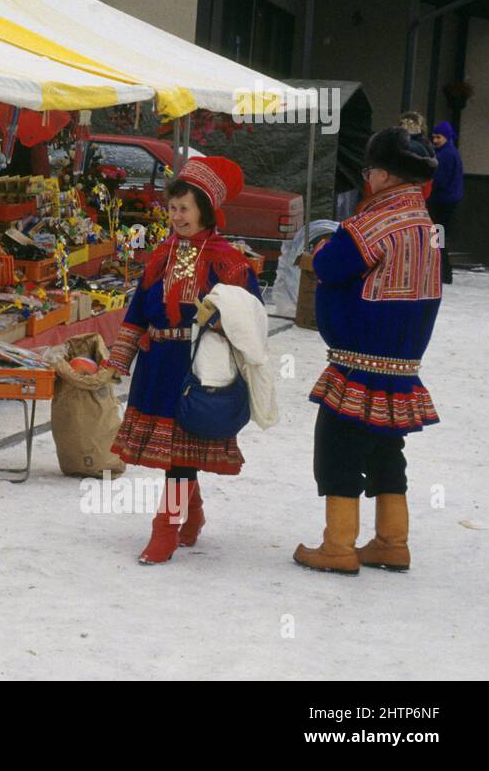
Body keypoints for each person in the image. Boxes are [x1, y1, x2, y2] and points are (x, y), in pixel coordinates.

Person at [294, 127, 440, 575]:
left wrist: (320, 246)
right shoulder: (430, 227)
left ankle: (338, 545)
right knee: (385, 449)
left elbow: (332, 264)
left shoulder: (377, 220)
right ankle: (392, 542)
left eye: (371, 170)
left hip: (359, 360)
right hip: (401, 364)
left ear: (387, 175)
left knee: (337, 447)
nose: (367, 178)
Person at [106, 156, 262, 565]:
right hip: (157, 365)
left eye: (185, 209)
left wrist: (220, 319)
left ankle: (166, 530)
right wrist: (118, 359)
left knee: (180, 456)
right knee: (177, 454)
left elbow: (250, 316)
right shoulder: (161, 256)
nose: (176, 217)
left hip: (196, 367)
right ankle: (191, 516)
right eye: (172, 209)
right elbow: (138, 309)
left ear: (206, 211)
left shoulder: (229, 261)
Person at [428, 121, 463, 286]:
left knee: (437, 238)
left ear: (446, 137)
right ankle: (443, 272)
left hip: (442, 202)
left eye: (438, 137)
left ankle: (442, 272)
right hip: (447, 201)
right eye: (433, 137)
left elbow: (439, 180)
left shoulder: (446, 155)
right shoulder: (449, 152)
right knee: (438, 237)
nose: (435, 140)